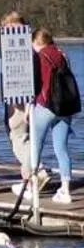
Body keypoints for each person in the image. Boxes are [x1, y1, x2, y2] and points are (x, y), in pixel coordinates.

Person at [28, 27, 76, 205]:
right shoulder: (62, 54)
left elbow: (37, 83)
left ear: (37, 42)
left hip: (46, 105)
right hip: (65, 107)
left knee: (35, 146)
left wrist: (29, 107)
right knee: (61, 149)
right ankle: (65, 189)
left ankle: (32, 187)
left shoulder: (40, 57)